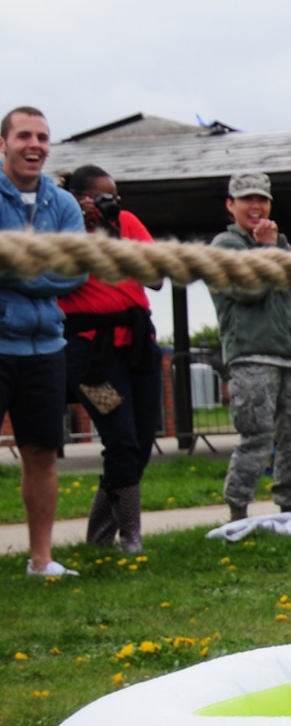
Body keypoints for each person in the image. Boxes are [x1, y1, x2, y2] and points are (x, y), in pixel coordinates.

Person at [57, 165, 164, 552]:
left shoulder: (127, 223)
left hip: (137, 346)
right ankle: (130, 536)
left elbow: (156, 278)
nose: (110, 203)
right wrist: (80, 225)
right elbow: (58, 276)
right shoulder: (61, 226)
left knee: (142, 440)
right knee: (120, 439)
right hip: (90, 355)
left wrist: (114, 230)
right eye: (102, 196)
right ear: (80, 197)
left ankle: (99, 537)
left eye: (114, 196)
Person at [0, 107, 84, 577]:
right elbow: (56, 272)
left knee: (41, 454)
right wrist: (44, 272)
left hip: (47, 346)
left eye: (43, 137)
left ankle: (41, 560)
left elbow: (76, 272)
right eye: (24, 136)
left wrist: (15, 271)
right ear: (3, 144)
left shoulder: (64, 205)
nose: (35, 145)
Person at [211, 173, 291, 522]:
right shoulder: (225, 247)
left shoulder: (278, 242)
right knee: (256, 435)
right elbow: (247, 290)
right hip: (252, 354)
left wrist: (275, 248)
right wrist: (270, 250)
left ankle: (289, 508)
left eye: (263, 199)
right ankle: (237, 510)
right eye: (247, 199)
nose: (256, 206)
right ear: (231, 205)